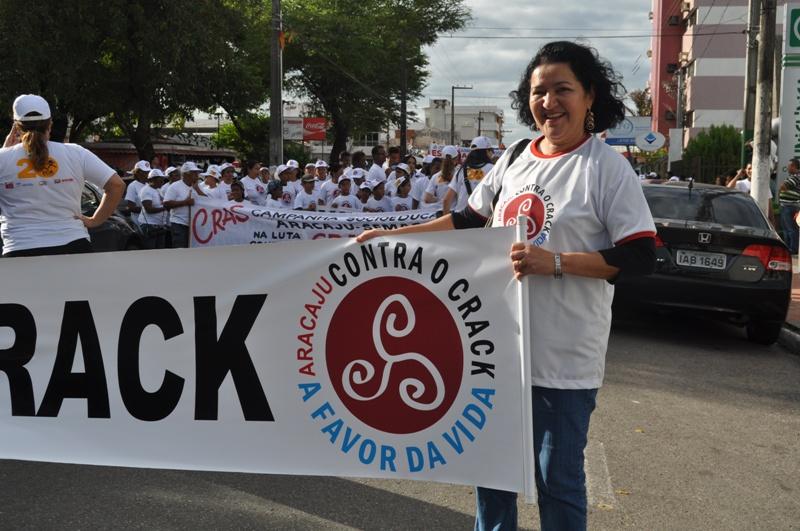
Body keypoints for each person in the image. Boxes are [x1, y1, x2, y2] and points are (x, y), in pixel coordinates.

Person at [357, 41, 656, 531]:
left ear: (590, 96)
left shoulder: (606, 168)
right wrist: (394, 236)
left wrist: (553, 262)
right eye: (539, 91)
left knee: (556, 480)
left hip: (562, 361)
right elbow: (467, 221)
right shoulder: (515, 157)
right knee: (491, 474)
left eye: (563, 89)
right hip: (493, 353)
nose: (549, 102)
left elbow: (641, 256)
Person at [0, 94, 125, 256]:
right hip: (74, 245)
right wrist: (95, 220)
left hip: (20, 248)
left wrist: (5, 151)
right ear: (50, 124)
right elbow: (116, 185)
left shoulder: (2, 158)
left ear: (16, 127)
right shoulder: (76, 153)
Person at [442, 136, 495, 214]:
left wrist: (446, 219)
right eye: (491, 150)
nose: (492, 153)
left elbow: (446, 200)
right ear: (487, 151)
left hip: (460, 217)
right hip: (481, 217)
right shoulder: (492, 170)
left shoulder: (461, 170)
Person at [162, 161, 204, 248]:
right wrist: (185, 202)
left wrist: (197, 189)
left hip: (194, 225)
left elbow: (208, 201)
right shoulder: (174, 186)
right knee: (180, 250)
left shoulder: (197, 186)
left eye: (197, 173)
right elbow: (166, 204)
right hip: (179, 225)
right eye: (194, 173)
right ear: (186, 174)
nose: (197, 175)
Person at [138, 168, 168, 249]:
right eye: (160, 180)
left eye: (163, 179)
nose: (162, 182)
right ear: (153, 180)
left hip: (159, 225)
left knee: (160, 251)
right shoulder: (146, 190)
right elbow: (149, 209)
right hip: (149, 225)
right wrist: (165, 208)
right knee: (150, 251)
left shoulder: (158, 189)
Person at [423, 145, 458, 210]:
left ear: (442, 159)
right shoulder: (460, 175)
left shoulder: (435, 177)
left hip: (440, 212)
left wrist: (439, 200)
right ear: (456, 160)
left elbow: (427, 199)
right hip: (454, 212)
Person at [779, 157, 800, 255]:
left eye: (789, 166)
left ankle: (792, 248)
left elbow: (783, 186)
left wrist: (783, 188)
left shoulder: (796, 177)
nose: (787, 168)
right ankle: (788, 247)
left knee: (790, 229)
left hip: (789, 206)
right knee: (787, 229)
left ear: (793, 166)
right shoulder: (794, 177)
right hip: (787, 206)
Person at [124, 160, 151, 225]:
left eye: (148, 172)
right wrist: (149, 209)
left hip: (151, 221)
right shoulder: (132, 186)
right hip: (139, 223)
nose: (148, 174)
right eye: (145, 172)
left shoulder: (149, 185)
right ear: (138, 173)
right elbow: (131, 207)